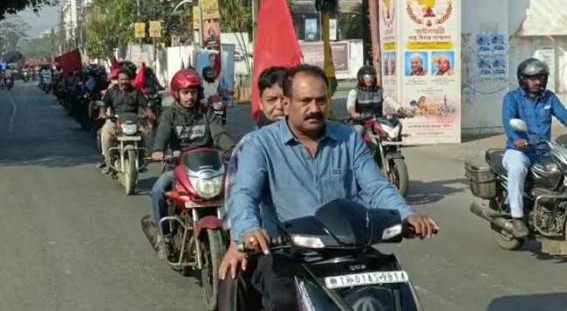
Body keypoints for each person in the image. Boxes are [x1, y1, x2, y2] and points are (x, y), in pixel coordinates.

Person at [227, 64, 438, 310]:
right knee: (284, 301)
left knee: (394, 295)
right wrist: (249, 229)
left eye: (320, 101)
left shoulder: (348, 138)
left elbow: (377, 187)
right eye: (305, 101)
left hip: (350, 250)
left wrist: (407, 216)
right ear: (286, 103)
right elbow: (244, 194)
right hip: (288, 254)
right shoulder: (259, 144)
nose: (314, 109)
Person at [217, 66, 287, 311]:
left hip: (321, 242)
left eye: (285, 99)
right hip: (269, 244)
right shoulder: (250, 145)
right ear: (261, 102)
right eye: (272, 100)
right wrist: (240, 239)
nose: (279, 106)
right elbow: (238, 196)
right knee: (232, 276)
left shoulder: (318, 139)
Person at [149, 68, 235, 258]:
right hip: (178, 168)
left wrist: (232, 148)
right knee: (157, 191)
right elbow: (163, 132)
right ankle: (164, 236)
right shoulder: (169, 115)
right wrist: (158, 150)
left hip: (208, 168)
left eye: (193, 92)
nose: (190, 97)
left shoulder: (206, 113)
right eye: (185, 92)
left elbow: (218, 133)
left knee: (235, 187)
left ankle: (236, 232)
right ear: (177, 94)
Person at [502, 58, 567, 238]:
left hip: (543, 151)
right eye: (532, 78)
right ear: (523, 79)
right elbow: (509, 123)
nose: (537, 82)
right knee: (517, 168)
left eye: (540, 78)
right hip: (519, 151)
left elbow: (564, 116)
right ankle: (517, 217)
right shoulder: (512, 98)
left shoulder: (549, 98)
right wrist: (517, 139)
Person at [98, 68, 154, 173]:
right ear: (118, 80)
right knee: (105, 132)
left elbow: (145, 104)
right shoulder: (111, 92)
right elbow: (104, 104)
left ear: (130, 80)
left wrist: (149, 112)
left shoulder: (136, 92)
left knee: (147, 132)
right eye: (122, 79)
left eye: (126, 79)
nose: (124, 82)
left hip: (133, 120)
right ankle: (108, 161)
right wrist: (102, 113)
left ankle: (142, 159)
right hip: (115, 120)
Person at [346, 65, 409, 134]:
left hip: (377, 120)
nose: (370, 79)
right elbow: (350, 105)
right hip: (360, 121)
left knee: (392, 129)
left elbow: (389, 100)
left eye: (372, 77)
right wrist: (354, 113)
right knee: (358, 131)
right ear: (361, 78)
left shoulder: (379, 91)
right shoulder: (354, 92)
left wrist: (400, 109)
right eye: (367, 77)